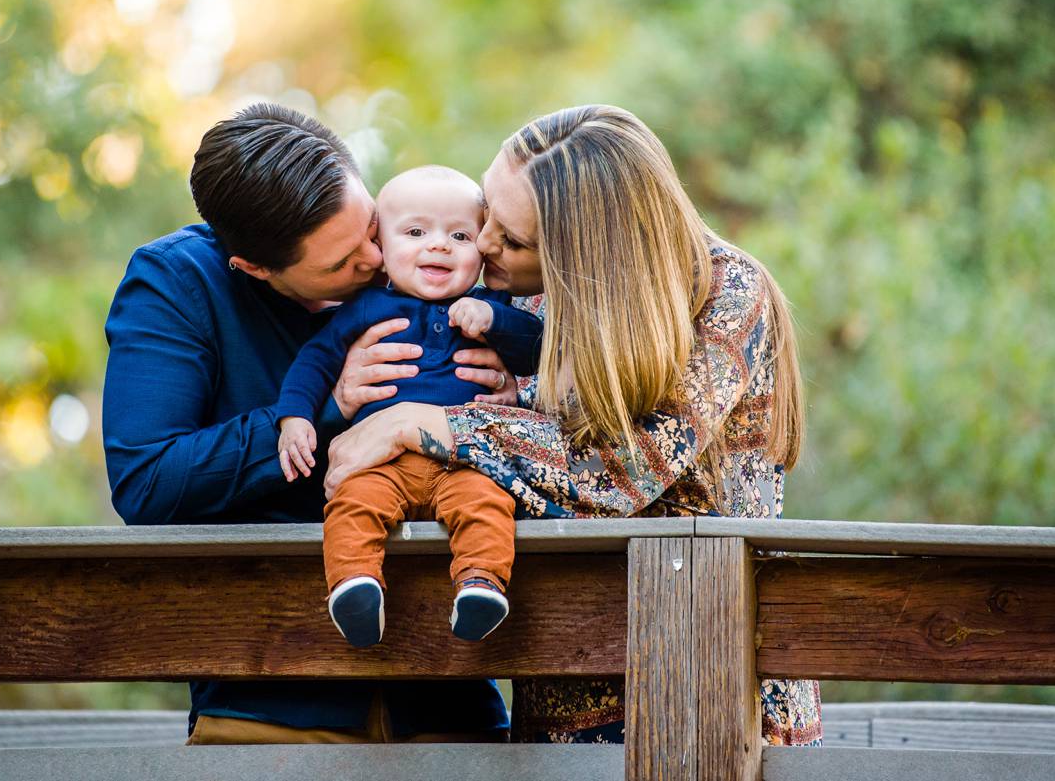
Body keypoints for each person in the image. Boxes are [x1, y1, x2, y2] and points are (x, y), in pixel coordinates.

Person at [323, 104, 825, 745]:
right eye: (487, 218)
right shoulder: (528, 293)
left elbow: (622, 467)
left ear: (588, 252)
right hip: (561, 668)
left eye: (512, 239)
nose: (482, 246)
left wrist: (426, 423)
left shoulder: (722, 296)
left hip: (706, 682)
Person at [101, 103, 515, 745]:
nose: (378, 261)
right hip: (271, 697)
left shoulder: (424, 258)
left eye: (372, 232)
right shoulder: (179, 284)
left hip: (451, 692)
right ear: (255, 269)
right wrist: (326, 410)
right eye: (342, 263)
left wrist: (515, 392)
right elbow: (147, 482)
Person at [274, 166, 543, 647]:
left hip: (464, 462)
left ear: (480, 251)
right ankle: (355, 586)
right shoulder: (365, 309)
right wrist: (294, 417)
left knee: (488, 504)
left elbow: (537, 350)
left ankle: (481, 584)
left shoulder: (494, 307)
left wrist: (494, 322)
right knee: (351, 503)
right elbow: (314, 361)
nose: (438, 245)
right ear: (382, 247)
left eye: (459, 235)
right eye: (416, 232)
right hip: (381, 462)